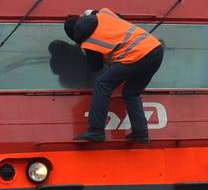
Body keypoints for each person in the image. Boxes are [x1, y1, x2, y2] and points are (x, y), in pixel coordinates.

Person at [64, 8, 164, 143]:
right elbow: (119, 16)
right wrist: (92, 12)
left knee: (102, 83)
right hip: (155, 50)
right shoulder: (104, 13)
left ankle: (96, 130)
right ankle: (141, 132)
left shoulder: (89, 43)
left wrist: (86, 51)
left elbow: (96, 67)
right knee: (131, 92)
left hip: (137, 55)